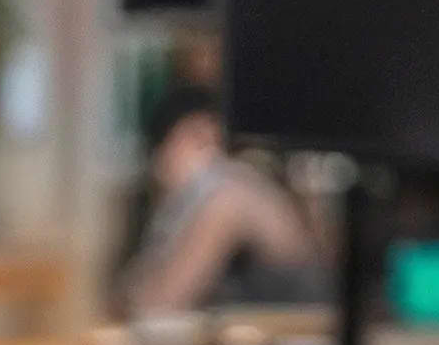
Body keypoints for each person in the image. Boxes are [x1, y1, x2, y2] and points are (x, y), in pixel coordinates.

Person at [119, 84, 325, 319]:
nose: (209, 156)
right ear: (160, 151)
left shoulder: (230, 196)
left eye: (215, 143)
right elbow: (129, 296)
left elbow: (160, 305)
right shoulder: (171, 209)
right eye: (196, 140)